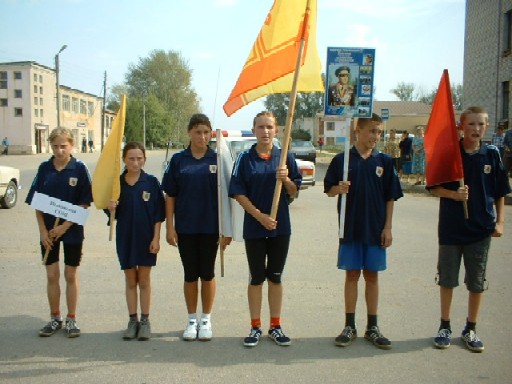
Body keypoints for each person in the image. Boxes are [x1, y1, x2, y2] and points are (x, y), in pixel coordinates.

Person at [429, 106, 511, 352]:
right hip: (452, 229)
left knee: (476, 282)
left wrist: (500, 222)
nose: (476, 129)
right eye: (472, 124)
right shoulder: (450, 154)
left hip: (480, 229)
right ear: (461, 126)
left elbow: (500, 193)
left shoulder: (492, 155)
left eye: (481, 124)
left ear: (486, 126)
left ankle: (470, 328)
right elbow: (434, 187)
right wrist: (454, 194)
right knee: (447, 280)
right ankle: (444, 326)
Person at [324, 113, 403, 350]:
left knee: (372, 276)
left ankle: (372, 327)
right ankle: (349, 325)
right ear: (358, 130)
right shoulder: (343, 160)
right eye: (371, 131)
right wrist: (339, 188)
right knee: (351, 275)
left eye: (379, 132)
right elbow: (329, 190)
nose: (375, 136)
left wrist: (388, 227)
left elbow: (391, 197)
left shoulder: (385, 162)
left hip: (375, 229)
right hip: (350, 228)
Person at [229, 111, 302, 347]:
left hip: (280, 228)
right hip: (255, 227)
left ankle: (275, 326)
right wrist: (260, 216)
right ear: (254, 130)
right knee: (257, 278)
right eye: (260, 127)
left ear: (277, 130)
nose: (265, 131)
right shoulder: (245, 158)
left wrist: (287, 179)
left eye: (269, 127)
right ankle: (255, 326)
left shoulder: (284, 158)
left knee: (276, 278)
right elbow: (238, 192)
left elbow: (294, 191)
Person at [162, 113, 232, 342]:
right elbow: (170, 195)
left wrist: (226, 230)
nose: (202, 136)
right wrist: (169, 227)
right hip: (186, 227)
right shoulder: (179, 160)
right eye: (197, 132)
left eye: (206, 132)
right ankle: (192, 319)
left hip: (211, 228)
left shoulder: (218, 159)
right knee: (191, 274)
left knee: (208, 273)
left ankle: (206, 319)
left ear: (211, 134)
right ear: (189, 133)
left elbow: (228, 197)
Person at [25, 127, 92, 338]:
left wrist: (64, 226)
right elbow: (37, 202)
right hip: (49, 233)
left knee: (70, 274)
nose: (59, 150)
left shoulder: (80, 169)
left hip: (71, 231)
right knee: (51, 274)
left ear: (71, 145)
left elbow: (84, 203)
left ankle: (72, 319)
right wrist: (43, 231)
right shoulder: (44, 168)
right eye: (55, 146)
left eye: (63, 146)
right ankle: (55, 318)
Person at [107, 142, 165, 341]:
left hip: (146, 238)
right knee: (131, 280)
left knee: (144, 280)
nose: (135, 162)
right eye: (131, 158)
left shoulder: (151, 182)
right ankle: (133, 320)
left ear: (144, 160)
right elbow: (110, 213)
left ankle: (146, 321)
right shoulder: (117, 184)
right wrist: (110, 205)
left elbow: (159, 214)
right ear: (124, 159)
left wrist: (156, 239)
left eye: (139, 158)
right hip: (126, 237)